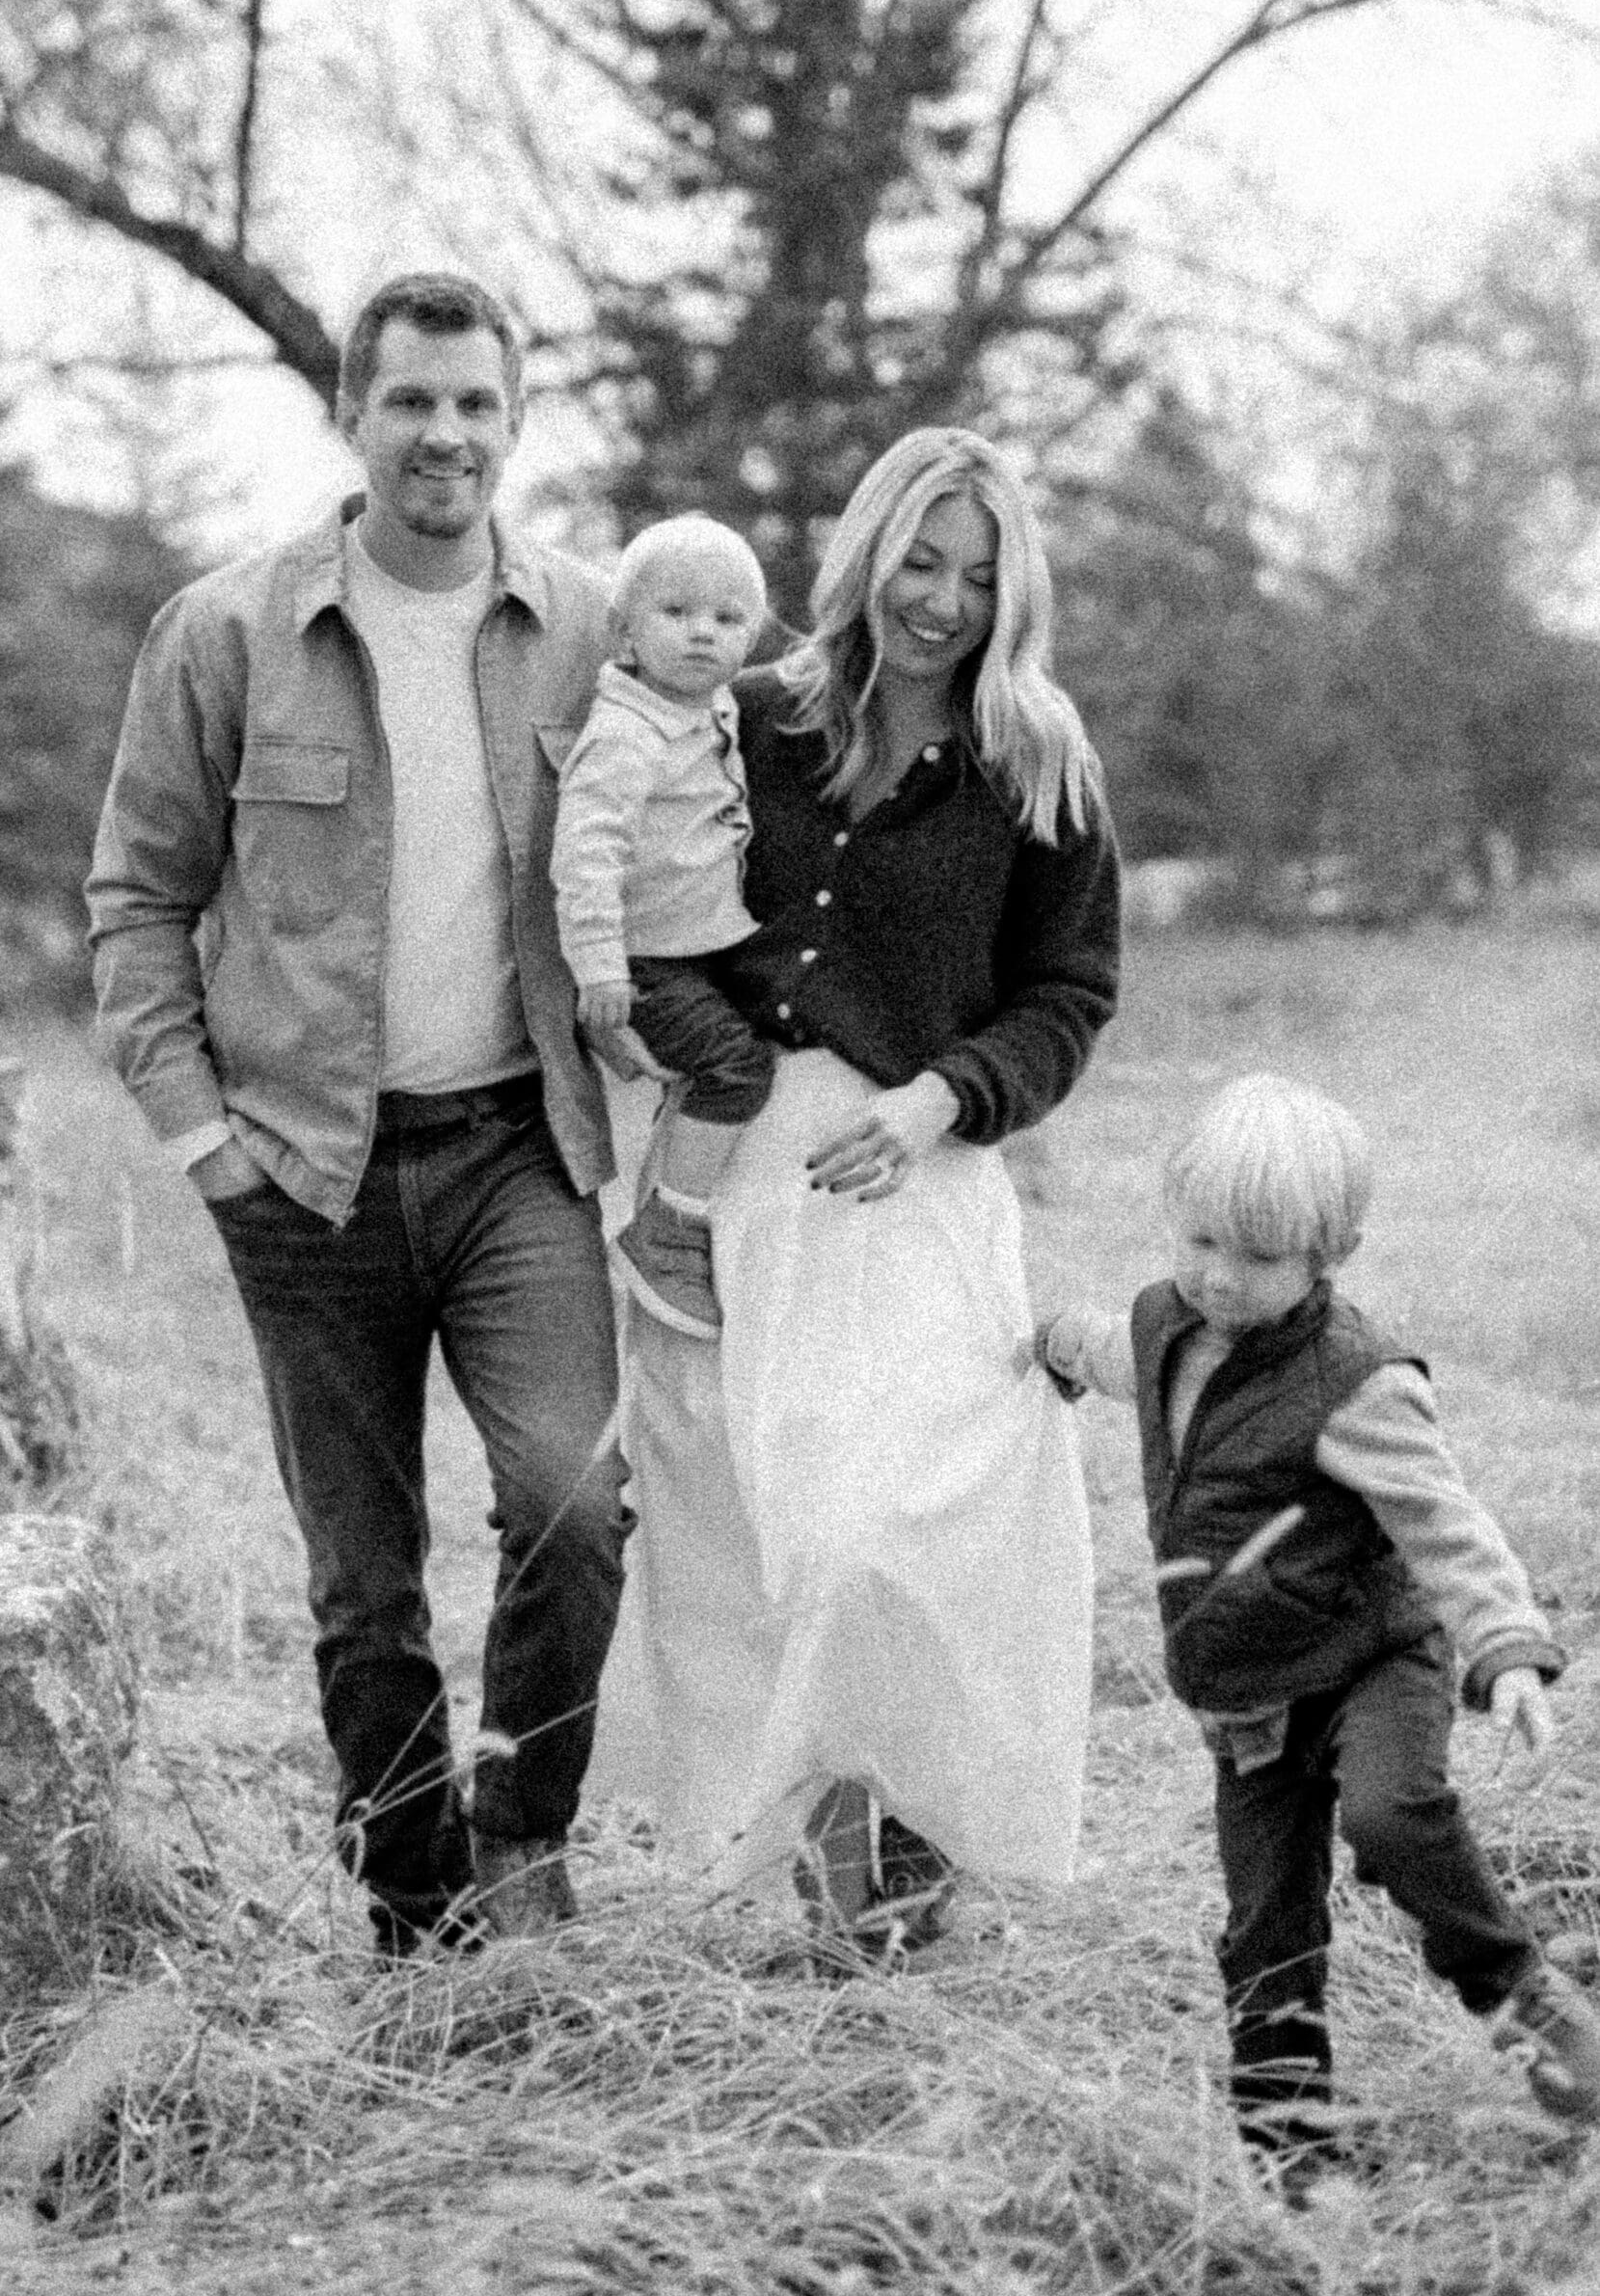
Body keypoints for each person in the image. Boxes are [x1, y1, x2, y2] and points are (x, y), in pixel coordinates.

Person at [86, 272, 632, 1960]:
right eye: (411, 401)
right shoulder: (228, 630)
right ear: (351, 414)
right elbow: (134, 903)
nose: (444, 435)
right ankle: (414, 1906)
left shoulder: (594, 627)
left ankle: (522, 1832)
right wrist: (203, 1140)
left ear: (515, 421)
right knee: (363, 1580)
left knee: (573, 1504)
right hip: (302, 1177)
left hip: (517, 1154)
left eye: (476, 403)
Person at [591, 427, 1123, 1962]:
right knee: (750, 1545)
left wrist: (942, 1093)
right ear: (866, 552)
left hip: (916, 1183)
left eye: (975, 575)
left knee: (891, 1529)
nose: (940, 601)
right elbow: (646, 883)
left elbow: (1069, 996)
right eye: (919, 560)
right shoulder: (747, 719)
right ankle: (823, 1914)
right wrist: (661, 1032)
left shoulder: (1038, 757)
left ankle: (915, 1849)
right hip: (732, 1183)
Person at [1025, 1071, 1600, 2178]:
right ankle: (1295, 2161)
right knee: (1264, 1932)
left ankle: (1526, 2001)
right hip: (1246, 1693)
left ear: (1328, 1254)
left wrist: (1508, 1645)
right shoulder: (1163, 1323)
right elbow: (1116, 1354)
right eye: (1198, 1239)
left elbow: (1444, 1523)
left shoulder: (1356, 1382)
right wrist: (1052, 1341)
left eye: (1255, 1256)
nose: (1215, 1276)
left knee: (1390, 1814)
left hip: (1370, 1659)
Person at [550, 514, 775, 1337]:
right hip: (645, 960)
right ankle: (668, 1230)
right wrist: (600, 970)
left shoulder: (709, 709)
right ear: (623, 631)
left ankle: (693, 1193)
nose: (701, 634)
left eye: (726, 619)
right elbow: (586, 853)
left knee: (757, 1042)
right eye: (676, 613)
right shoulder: (627, 732)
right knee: (736, 1069)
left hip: (702, 945)